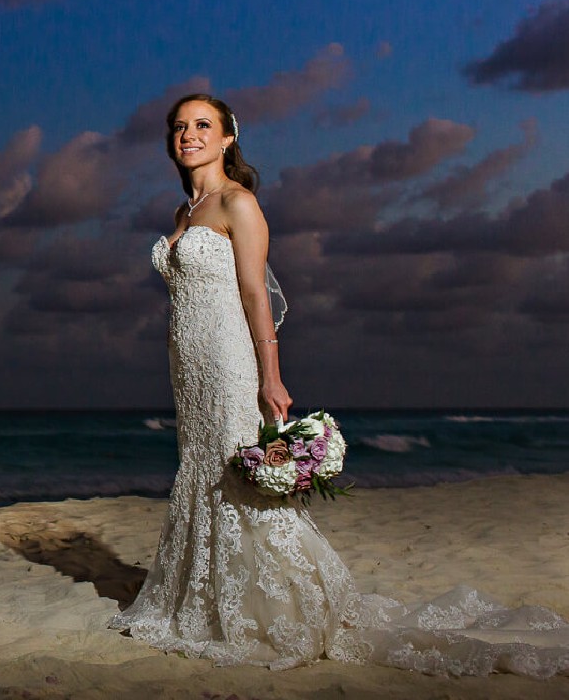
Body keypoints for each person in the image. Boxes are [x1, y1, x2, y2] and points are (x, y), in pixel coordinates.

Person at [110, 93, 569, 675]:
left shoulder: (238, 203)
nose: (189, 135)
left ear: (227, 138)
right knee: (200, 467)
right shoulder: (182, 215)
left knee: (235, 471)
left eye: (203, 125)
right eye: (180, 127)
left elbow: (255, 294)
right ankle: (201, 596)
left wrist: (270, 376)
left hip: (229, 362)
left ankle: (279, 606)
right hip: (187, 366)